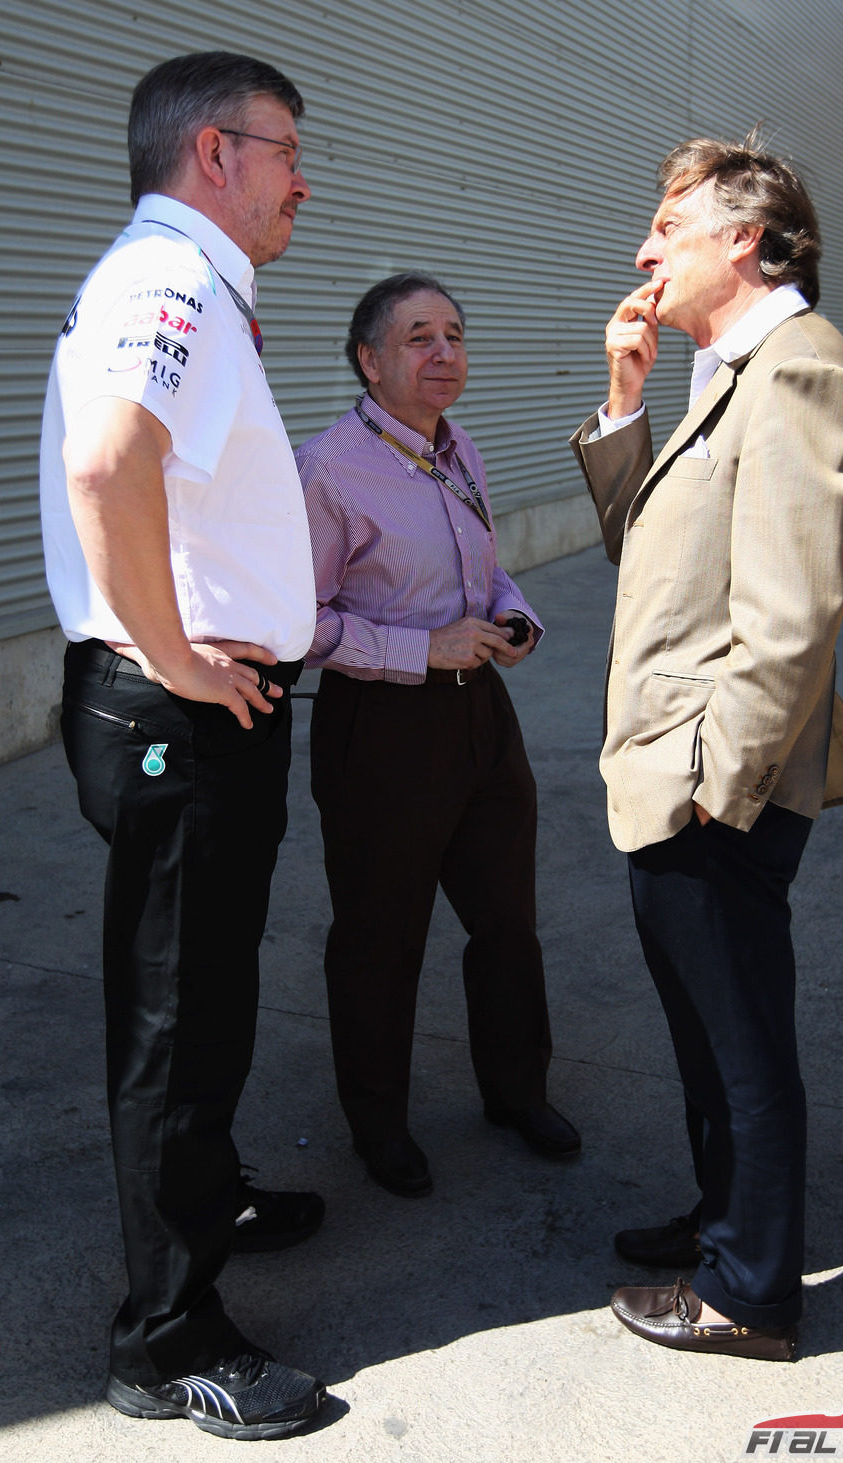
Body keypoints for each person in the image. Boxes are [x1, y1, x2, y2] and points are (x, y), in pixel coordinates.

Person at [39, 51, 325, 1439]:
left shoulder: (191, 281)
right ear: (214, 152)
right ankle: (165, 1337)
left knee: (203, 996)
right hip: (180, 717)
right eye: (283, 148)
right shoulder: (171, 279)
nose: (299, 176)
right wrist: (173, 655)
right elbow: (108, 463)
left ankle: (205, 1198)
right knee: (175, 1016)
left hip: (197, 712)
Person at [569, 134, 843, 1360]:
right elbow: (646, 552)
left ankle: (750, 1291)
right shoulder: (724, 366)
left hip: (713, 778)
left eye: (669, 227)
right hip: (668, 765)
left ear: (743, 241)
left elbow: (794, 616)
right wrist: (626, 402)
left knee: (744, 1037)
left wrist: (720, 788)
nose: (645, 249)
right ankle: (725, 1217)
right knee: (704, 1023)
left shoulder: (798, 368)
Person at [297, 272, 581, 1198]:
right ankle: (377, 1125)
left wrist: (515, 614)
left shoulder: (458, 448)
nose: (443, 353)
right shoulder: (329, 469)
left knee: (506, 921)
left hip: (478, 719)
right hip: (381, 729)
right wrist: (421, 649)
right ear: (368, 360)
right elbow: (297, 623)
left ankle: (515, 1092)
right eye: (418, 337)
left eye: (455, 334)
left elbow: (489, 571)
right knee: (381, 937)